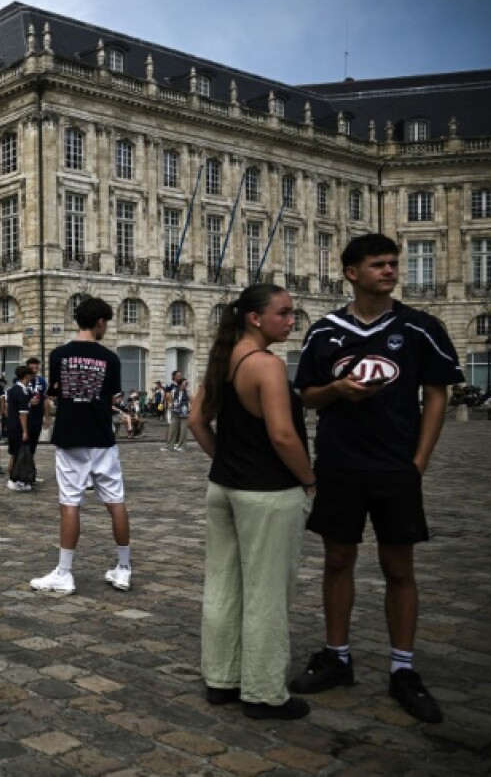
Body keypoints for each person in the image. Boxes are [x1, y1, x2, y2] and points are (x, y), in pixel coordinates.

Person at [291, 233, 464, 724]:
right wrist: (336, 389)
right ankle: (337, 656)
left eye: (393, 264)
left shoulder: (419, 328)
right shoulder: (324, 332)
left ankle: (403, 669)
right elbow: (306, 396)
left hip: (395, 468)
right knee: (337, 560)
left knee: (399, 568)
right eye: (378, 264)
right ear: (351, 272)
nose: (389, 271)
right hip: (341, 464)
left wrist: (420, 461)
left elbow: (436, 395)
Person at [187, 284, 316, 721]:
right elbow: (283, 435)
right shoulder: (267, 366)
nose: (290, 320)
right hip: (267, 493)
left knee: (223, 585)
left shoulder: (223, 359)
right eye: (283, 313)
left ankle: (222, 679)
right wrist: (310, 479)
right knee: (266, 594)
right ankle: (262, 691)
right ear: (255, 318)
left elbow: (195, 421)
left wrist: (226, 458)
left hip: (224, 487)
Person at [30, 297, 133, 594]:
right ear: (100, 322)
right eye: (106, 323)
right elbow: (112, 397)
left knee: (70, 504)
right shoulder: (110, 359)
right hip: (102, 438)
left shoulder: (59, 354)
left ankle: (65, 572)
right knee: (116, 503)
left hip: (71, 437)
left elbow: (56, 394)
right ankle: (124, 568)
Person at [6, 365, 35, 491]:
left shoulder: (12, 389)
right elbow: (23, 414)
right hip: (18, 426)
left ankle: (13, 477)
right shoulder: (22, 391)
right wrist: (25, 431)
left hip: (12, 423)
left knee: (14, 452)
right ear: (26, 376)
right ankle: (14, 479)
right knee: (19, 453)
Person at [25, 356, 51, 458]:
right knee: (25, 442)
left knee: (34, 442)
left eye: (36, 368)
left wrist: (47, 417)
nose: (35, 371)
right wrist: (28, 401)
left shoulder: (42, 381)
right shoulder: (22, 381)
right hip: (26, 416)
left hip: (37, 416)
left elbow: (46, 399)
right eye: (32, 368)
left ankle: (29, 462)